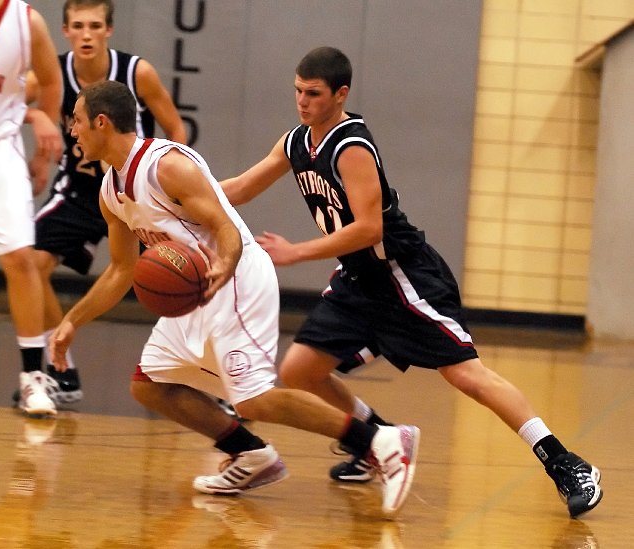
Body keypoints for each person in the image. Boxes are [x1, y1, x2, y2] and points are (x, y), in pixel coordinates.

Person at [220, 46, 603, 519]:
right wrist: (180, 193)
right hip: (358, 280)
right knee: (300, 371)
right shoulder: (296, 142)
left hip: (402, 275)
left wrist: (296, 252)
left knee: (466, 375)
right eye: (298, 91)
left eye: (313, 93)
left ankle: (566, 463)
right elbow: (243, 187)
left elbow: (369, 229)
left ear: (340, 94)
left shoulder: (351, 146)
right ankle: (377, 443)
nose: (302, 101)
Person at [48, 80, 420, 518]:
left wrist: (224, 263)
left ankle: (379, 440)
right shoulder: (111, 192)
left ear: (102, 122)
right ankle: (251, 455)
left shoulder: (167, 167)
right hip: (196, 291)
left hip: (237, 278)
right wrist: (72, 321)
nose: (72, 130)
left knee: (253, 398)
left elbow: (226, 227)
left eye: (76, 120)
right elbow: (120, 269)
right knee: (150, 385)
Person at [16, 0, 188, 409]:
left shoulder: (136, 72)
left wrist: (171, 186)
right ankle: (61, 371)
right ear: (65, 31)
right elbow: (3, 104)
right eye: (78, 26)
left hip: (135, 192)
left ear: (108, 30)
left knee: (184, 277)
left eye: (95, 26)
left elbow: (175, 127)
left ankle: (215, 378)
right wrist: (36, 131)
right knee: (30, 263)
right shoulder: (52, 74)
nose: (87, 34)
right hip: (78, 191)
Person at [0, 0, 63, 417]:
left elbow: (51, 81)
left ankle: (33, 377)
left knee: (21, 259)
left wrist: (41, 148)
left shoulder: (26, 22)